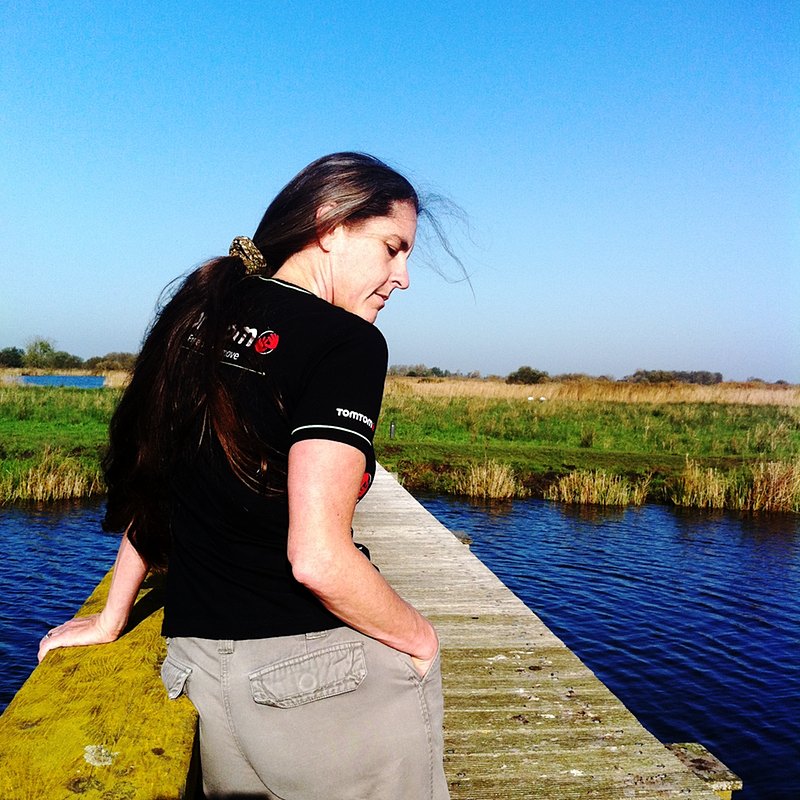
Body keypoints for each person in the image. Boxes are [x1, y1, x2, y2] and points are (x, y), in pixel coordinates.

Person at [38, 152, 450, 800]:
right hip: (321, 683)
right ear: (331, 224)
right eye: (393, 248)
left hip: (200, 675)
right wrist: (420, 640)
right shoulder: (348, 343)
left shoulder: (202, 309)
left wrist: (113, 614)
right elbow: (316, 556)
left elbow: (160, 482)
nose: (403, 278)